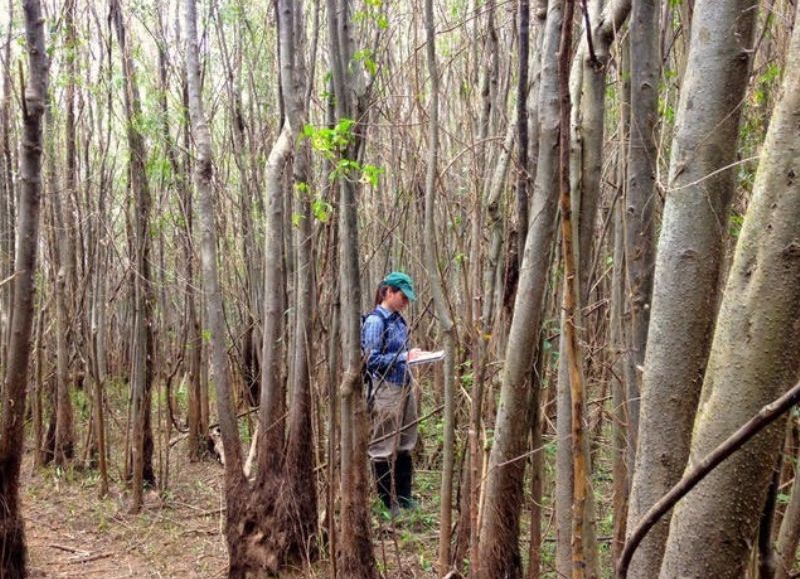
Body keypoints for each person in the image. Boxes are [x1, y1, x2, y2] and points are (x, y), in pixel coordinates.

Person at [361, 271, 421, 516]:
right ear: (388, 292)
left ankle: (404, 498)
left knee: (406, 442)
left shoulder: (398, 320)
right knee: (383, 445)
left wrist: (412, 356)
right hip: (386, 389)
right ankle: (388, 502)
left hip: (404, 386)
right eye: (402, 296)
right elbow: (371, 361)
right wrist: (403, 358)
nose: (406, 302)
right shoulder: (376, 322)